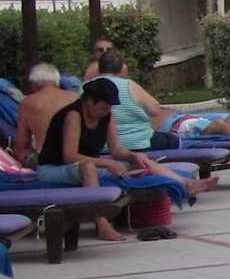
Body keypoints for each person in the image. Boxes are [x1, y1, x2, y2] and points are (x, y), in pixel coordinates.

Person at [35, 77, 196, 241]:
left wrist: (133, 156)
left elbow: (116, 149)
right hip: (54, 169)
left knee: (140, 160)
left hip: (84, 167)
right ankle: (102, 225)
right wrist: (107, 163)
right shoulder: (73, 115)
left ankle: (184, 184)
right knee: (88, 167)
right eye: (104, 107)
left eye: (110, 107)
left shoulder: (107, 115)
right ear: (89, 101)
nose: (107, 111)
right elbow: (70, 156)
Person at [94, 51, 230, 149]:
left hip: (164, 124)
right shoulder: (126, 85)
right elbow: (154, 109)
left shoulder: (89, 89)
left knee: (227, 123)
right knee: (220, 126)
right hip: (167, 127)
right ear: (121, 69)